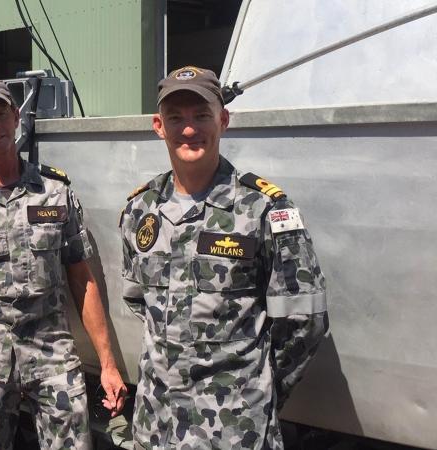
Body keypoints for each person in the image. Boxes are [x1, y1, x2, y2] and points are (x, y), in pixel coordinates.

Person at [120, 66, 329, 449]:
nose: (189, 128)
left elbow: (304, 320)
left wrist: (257, 390)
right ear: (158, 125)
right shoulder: (141, 209)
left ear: (223, 119)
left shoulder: (264, 208)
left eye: (201, 115)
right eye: (176, 117)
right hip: (156, 425)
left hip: (234, 428)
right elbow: (139, 299)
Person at [0, 79, 127, 450]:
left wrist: (108, 364)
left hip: (51, 352)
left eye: (0, 114)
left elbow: (82, 281)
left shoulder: (55, 191)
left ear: (16, 118)